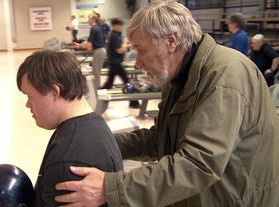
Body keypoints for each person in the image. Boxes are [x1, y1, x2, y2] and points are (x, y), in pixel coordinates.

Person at [54, 1, 279, 206]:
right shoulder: (180, 75)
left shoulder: (225, 76)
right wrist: (102, 143)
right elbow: (161, 139)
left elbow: (199, 164)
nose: (139, 62)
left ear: (171, 41)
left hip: (236, 198)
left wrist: (110, 188)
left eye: (141, 50)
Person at [16, 50, 123, 206]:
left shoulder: (67, 162)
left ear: (54, 92)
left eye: (30, 96)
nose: (27, 104)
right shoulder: (94, 123)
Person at [102, 18, 140, 108]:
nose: (121, 28)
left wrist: (126, 44)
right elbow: (119, 50)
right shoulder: (114, 36)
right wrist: (128, 45)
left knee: (109, 83)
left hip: (114, 62)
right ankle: (134, 102)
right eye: (119, 26)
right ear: (114, 26)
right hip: (115, 62)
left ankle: (98, 96)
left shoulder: (116, 35)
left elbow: (122, 47)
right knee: (127, 81)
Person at [75, 14, 106, 88]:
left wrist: (79, 46)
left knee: (96, 72)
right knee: (96, 71)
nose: (88, 20)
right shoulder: (97, 28)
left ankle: (96, 89)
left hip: (99, 51)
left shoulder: (94, 28)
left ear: (94, 20)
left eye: (89, 19)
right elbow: (89, 41)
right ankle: (96, 87)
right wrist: (81, 45)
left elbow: (89, 43)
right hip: (101, 51)